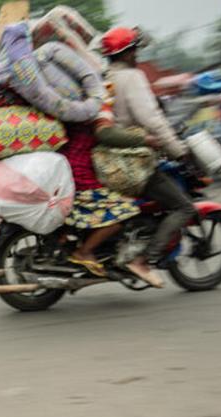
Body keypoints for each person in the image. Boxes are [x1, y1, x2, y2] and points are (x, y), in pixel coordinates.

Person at [103, 27, 198, 270]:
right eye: (134, 50)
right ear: (126, 54)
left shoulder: (104, 76)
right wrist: (179, 150)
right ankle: (146, 259)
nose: (137, 55)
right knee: (183, 206)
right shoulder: (132, 77)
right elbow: (151, 119)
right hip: (132, 160)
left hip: (106, 158)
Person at [59, 98, 164, 288]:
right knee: (125, 209)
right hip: (81, 173)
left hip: (69, 166)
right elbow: (107, 134)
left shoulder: (74, 108)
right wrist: (144, 139)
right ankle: (84, 252)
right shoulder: (95, 108)